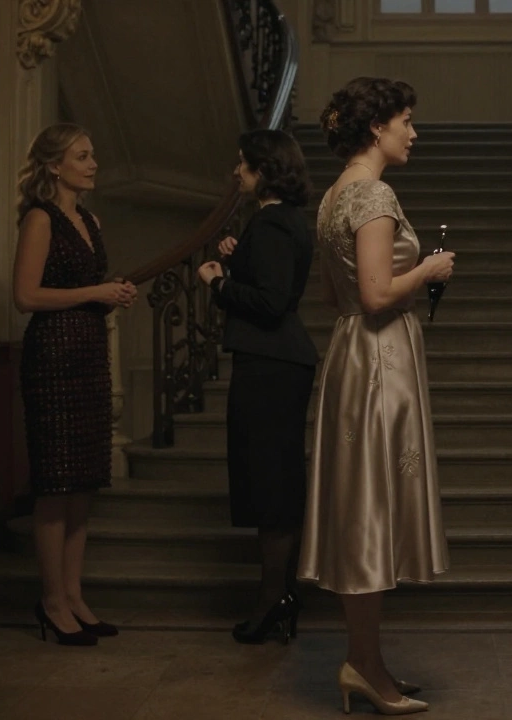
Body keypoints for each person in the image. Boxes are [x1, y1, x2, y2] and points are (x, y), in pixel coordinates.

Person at [298, 76, 453, 716]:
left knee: (365, 511)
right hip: (379, 363)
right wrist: (428, 269)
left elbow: (336, 300)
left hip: (350, 354)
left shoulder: (334, 195)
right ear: (376, 128)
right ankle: (364, 665)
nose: (413, 133)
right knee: (370, 514)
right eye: (406, 121)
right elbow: (374, 295)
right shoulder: (373, 193)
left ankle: (368, 662)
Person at [13, 123, 137, 646]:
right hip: (53, 356)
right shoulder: (40, 218)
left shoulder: (89, 218)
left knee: (84, 485)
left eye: (93, 155)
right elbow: (26, 296)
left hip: (88, 351)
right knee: (55, 485)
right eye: (82, 156)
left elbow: (88, 290)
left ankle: (74, 594)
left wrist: (110, 295)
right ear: (55, 165)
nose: (92, 164)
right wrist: (95, 291)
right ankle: (51, 601)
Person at [196, 129, 317, 645]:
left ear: (264, 170)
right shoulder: (281, 221)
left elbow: (268, 303)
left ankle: (273, 602)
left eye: (243, 165)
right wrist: (238, 254)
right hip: (282, 362)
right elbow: (273, 281)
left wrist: (217, 282)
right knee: (277, 483)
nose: (236, 173)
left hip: (269, 363)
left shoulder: (269, 223)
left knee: (270, 486)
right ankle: (279, 598)